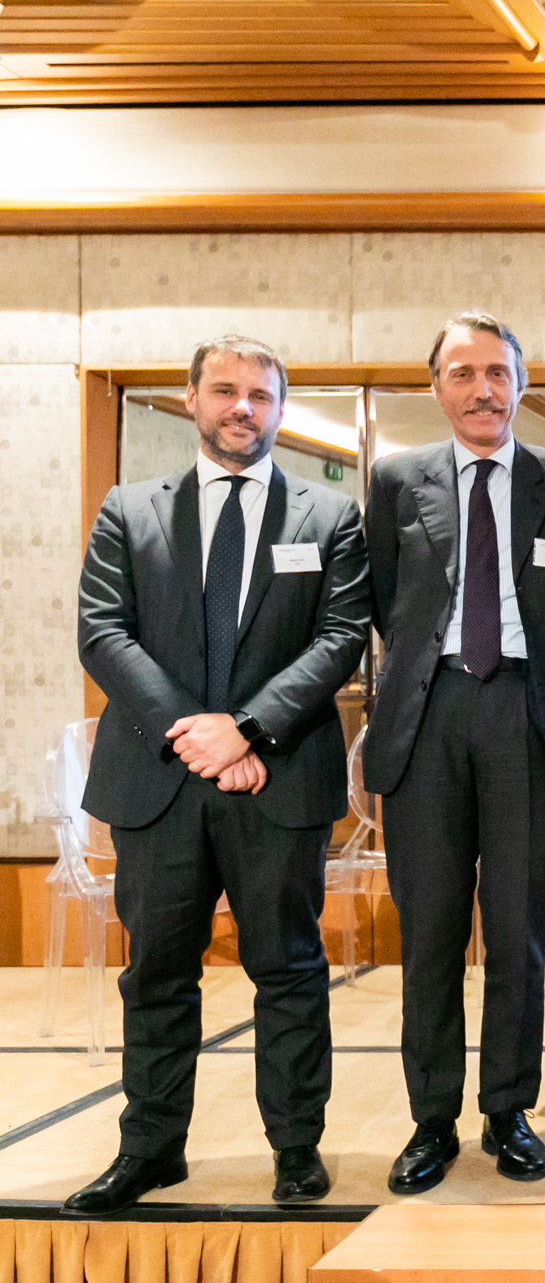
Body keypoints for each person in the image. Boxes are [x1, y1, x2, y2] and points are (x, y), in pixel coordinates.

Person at [69, 335, 369, 1213]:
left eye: (261, 394)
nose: (244, 407)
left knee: (289, 969)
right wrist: (194, 738)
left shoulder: (330, 515)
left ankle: (296, 1149)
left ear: (280, 408)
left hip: (278, 778)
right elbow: (103, 632)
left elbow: (341, 639)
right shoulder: (130, 510)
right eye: (226, 391)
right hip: (156, 782)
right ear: (191, 399)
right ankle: (151, 1149)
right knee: (155, 975)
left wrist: (246, 733)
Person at [364, 312, 545, 1193]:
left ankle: (508, 1110)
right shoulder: (397, 479)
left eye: (498, 372)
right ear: (437, 388)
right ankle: (432, 1119)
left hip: (528, 713)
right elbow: (386, 599)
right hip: (427, 714)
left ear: (521, 384)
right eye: (462, 373)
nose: (482, 389)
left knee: (516, 930)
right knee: (429, 933)